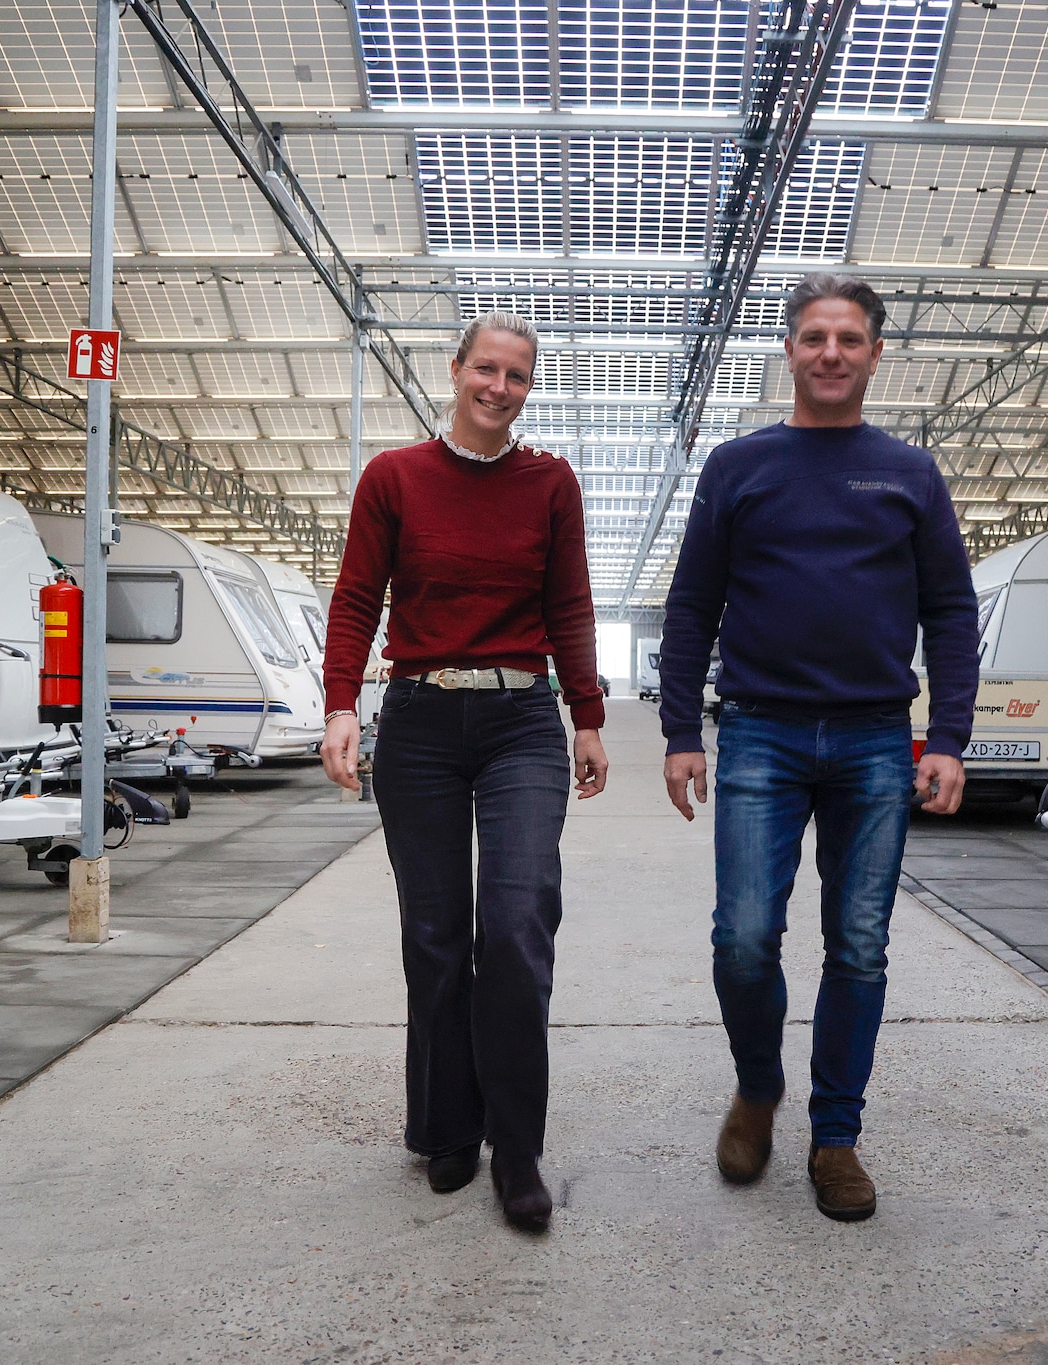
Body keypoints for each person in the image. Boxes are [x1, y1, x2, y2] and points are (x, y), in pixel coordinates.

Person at [658, 273, 978, 1222]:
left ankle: (835, 1136)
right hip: (760, 729)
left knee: (860, 945)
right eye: (813, 337)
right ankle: (759, 1088)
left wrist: (949, 735)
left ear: (875, 353)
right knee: (746, 939)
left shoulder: (910, 473)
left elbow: (950, 612)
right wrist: (682, 730)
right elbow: (690, 606)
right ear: (789, 351)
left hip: (878, 737)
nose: (830, 352)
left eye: (849, 338)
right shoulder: (738, 466)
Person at [321, 312, 609, 1234]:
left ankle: (516, 1145)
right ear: (454, 371)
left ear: (529, 387)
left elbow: (570, 601)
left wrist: (589, 716)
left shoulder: (550, 482)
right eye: (486, 367)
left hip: (523, 719)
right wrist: (339, 707)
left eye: (517, 374)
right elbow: (358, 594)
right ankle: (447, 1123)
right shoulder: (394, 477)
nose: (499, 385)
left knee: (519, 921)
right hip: (420, 721)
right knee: (437, 933)